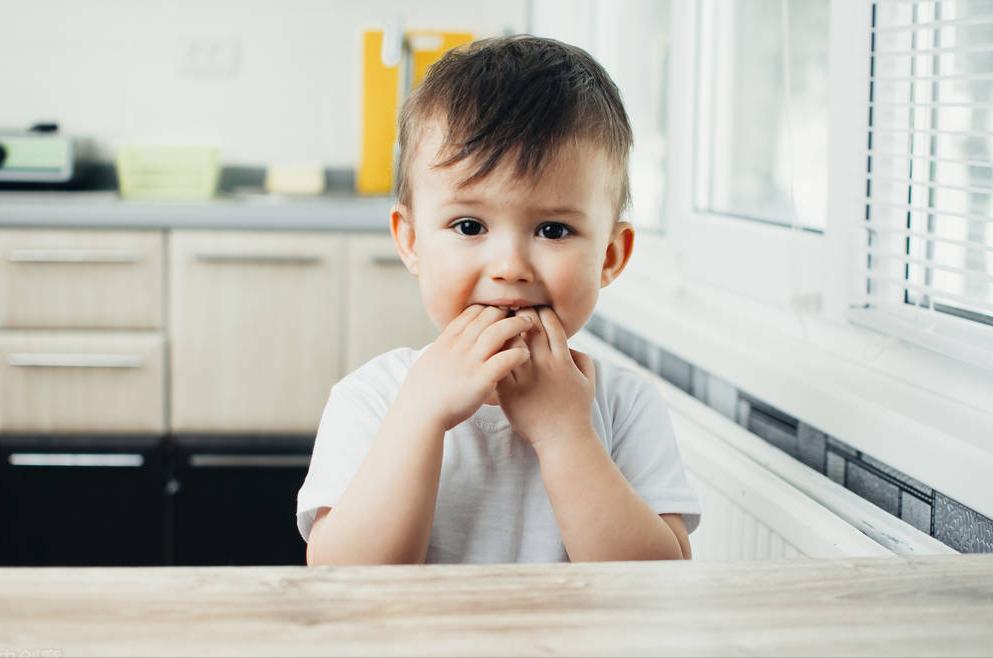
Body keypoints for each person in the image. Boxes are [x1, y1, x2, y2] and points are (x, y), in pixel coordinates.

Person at [298, 35, 700, 565]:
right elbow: (344, 579)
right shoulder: (373, 398)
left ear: (609, 256)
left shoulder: (623, 406)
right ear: (412, 240)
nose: (510, 267)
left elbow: (657, 584)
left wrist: (564, 433)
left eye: (553, 229)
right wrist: (420, 415)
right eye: (470, 225)